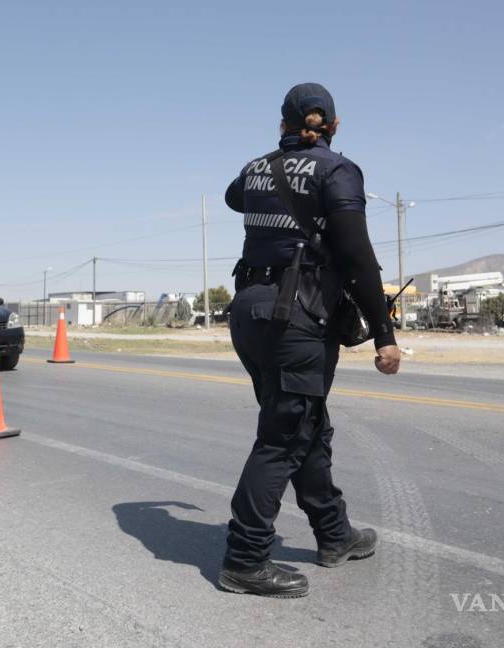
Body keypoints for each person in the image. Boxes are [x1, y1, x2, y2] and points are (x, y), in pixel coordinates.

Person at [218, 82, 401, 598]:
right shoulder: (338, 170)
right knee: (284, 437)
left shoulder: (256, 168)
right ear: (335, 126)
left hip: (251, 312)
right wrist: (383, 334)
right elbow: (357, 255)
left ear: (281, 124)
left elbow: (236, 196)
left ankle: (334, 533)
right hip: (295, 317)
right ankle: (245, 558)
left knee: (307, 426)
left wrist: (279, 154)